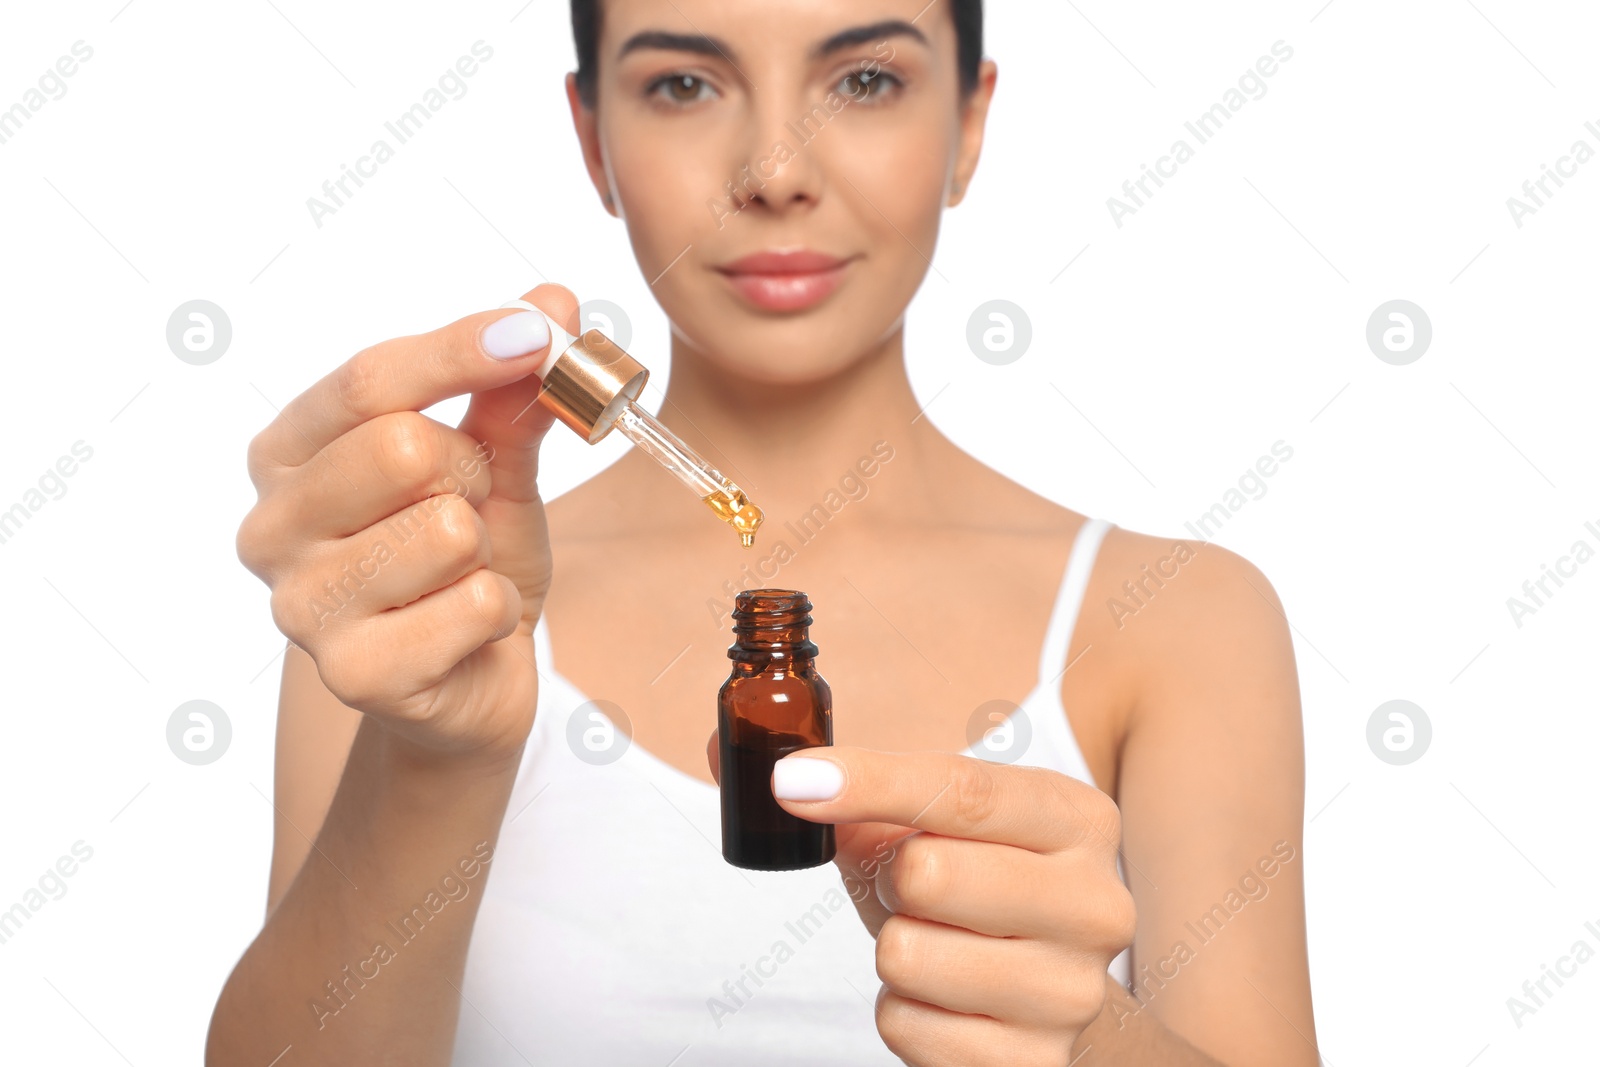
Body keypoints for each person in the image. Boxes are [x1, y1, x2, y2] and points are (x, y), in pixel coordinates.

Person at [207, 0, 1317, 1063]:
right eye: (684, 83)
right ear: (592, 136)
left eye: (866, 78)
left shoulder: (1174, 619)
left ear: (969, 123)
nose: (776, 173)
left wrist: (1083, 1041)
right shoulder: (423, 600)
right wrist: (433, 754)